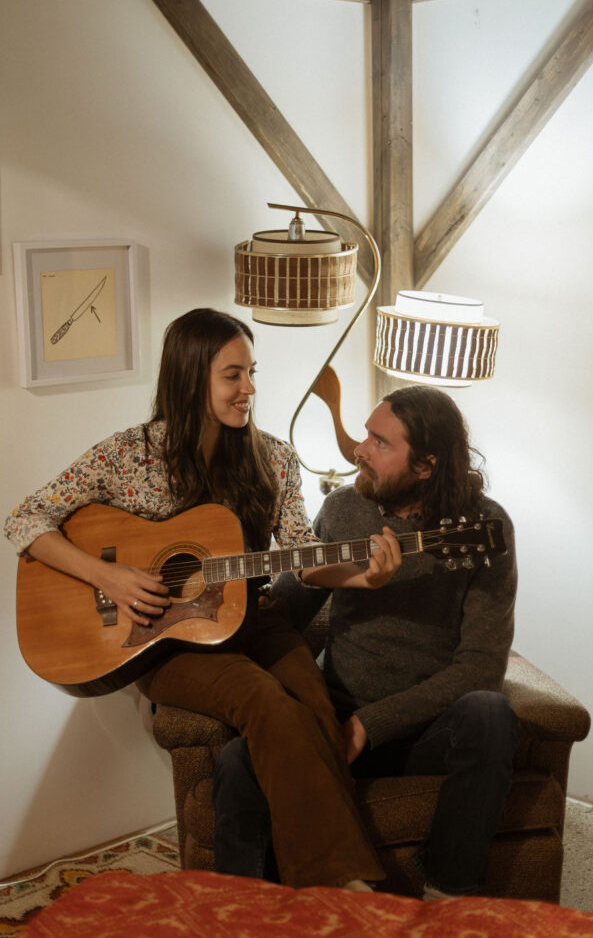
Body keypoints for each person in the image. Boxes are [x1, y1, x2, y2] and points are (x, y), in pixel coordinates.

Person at [4, 307, 405, 891]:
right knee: (266, 702)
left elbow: (301, 556)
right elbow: (24, 519)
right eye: (232, 375)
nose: (250, 389)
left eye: (251, 373)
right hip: (163, 642)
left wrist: (366, 577)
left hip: (256, 619)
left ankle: (280, 885)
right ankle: (342, 888)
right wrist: (108, 577)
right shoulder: (129, 456)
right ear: (192, 378)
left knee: (317, 710)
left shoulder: (274, 459)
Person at [213, 385, 519, 898]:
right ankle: (243, 913)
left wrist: (370, 726)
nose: (358, 448)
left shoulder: (483, 527)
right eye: (366, 434)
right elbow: (286, 610)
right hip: (334, 714)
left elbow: (482, 667)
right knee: (237, 761)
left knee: (490, 713)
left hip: (424, 729)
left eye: (379, 442)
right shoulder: (342, 510)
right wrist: (214, 606)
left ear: (424, 465)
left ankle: (446, 895)